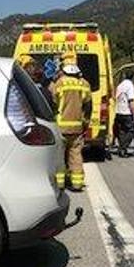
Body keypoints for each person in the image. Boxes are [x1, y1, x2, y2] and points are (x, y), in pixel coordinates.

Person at [51, 62, 92, 191]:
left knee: (59, 155)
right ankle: (77, 183)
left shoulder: (59, 83)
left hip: (61, 126)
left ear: (64, 72)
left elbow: (53, 102)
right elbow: (88, 105)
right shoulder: (84, 84)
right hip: (77, 127)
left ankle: (60, 184)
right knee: (76, 155)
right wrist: (86, 120)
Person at [114, 73, 134, 157]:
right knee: (131, 131)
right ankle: (123, 148)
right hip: (126, 112)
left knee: (121, 131)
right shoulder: (130, 85)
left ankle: (121, 148)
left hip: (118, 111)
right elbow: (131, 101)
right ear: (133, 77)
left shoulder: (120, 85)